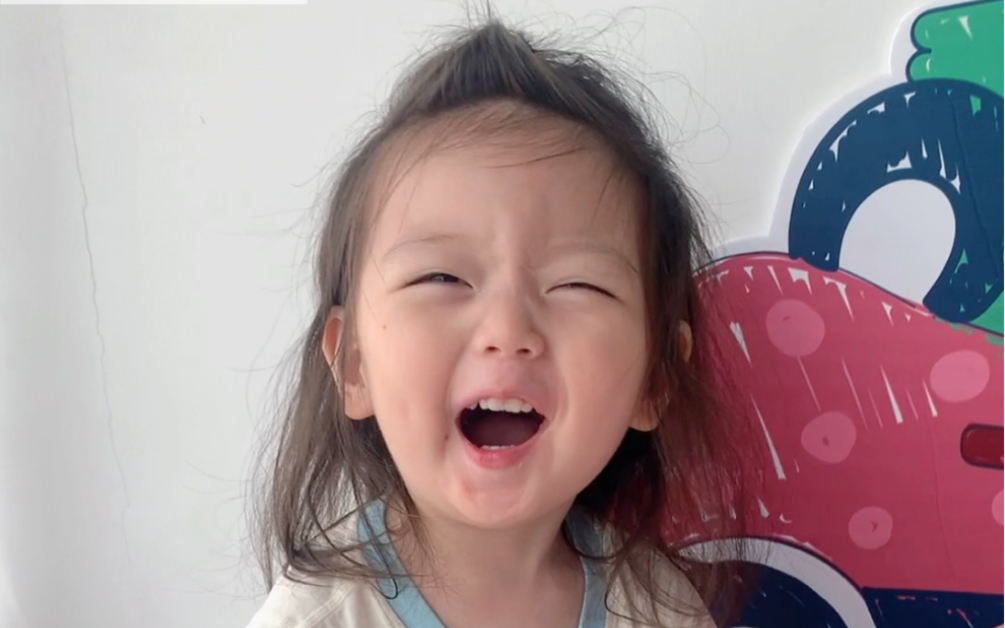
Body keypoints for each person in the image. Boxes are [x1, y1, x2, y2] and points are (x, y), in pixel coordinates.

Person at [248, 17, 754, 628]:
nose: (508, 330)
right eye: (442, 278)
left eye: (578, 284)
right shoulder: (314, 619)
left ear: (654, 378)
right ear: (355, 365)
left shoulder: (660, 612)